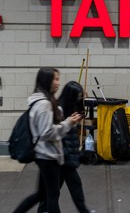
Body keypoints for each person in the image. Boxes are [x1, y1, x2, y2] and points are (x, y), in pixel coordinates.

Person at [13, 68, 82, 213]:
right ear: (47, 81)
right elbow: (47, 132)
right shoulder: (44, 104)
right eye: (55, 79)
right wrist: (68, 123)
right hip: (47, 155)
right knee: (52, 196)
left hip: (44, 154)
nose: (58, 82)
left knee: (41, 195)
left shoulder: (40, 100)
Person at [37, 81, 95, 213]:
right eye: (78, 96)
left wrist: (83, 100)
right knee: (72, 187)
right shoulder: (59, 110)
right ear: (71, 96)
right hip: (60, 157)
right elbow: (55, 133)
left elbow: (80, 115)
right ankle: (83, 210)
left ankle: (43, 210)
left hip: (65, 156)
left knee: (53, 191)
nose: (79, 99)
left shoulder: (70, 108)